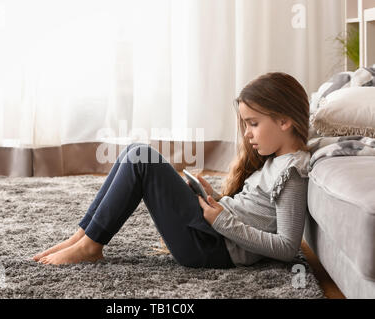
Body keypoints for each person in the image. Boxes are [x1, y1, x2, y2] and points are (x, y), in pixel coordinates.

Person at [32, 71, 311, 268]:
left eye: (253, 123)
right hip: (212, 234)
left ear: (284, 121)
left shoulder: (293, 173)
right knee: (134, 151)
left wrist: (221, 221)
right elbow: (254, 210)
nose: (247, 134)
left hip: (212, 248)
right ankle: (84, 235)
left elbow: (287, 248)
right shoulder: (276, 160)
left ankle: (91, 246)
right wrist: (215, 198)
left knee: (142, 158)